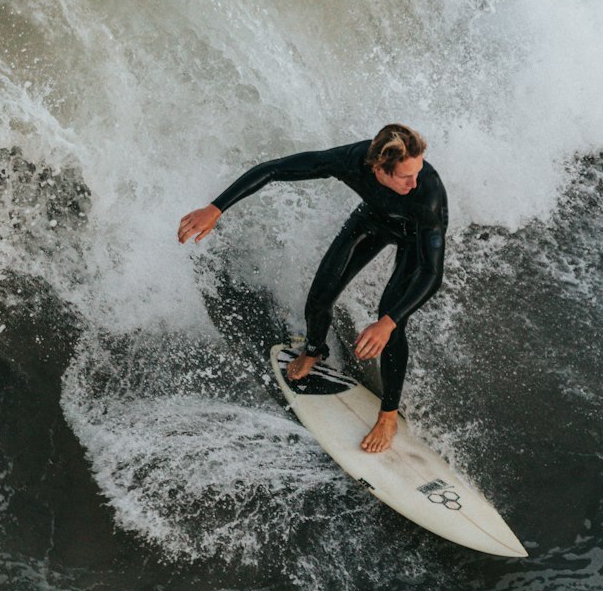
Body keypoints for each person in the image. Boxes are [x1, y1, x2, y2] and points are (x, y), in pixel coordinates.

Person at [177, 124, 447, 453]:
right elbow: (275, 169)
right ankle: (315, 350)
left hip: (413, 239)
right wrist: (215, 208)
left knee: (392, 320)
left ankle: (388, 415)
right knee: (320, 296)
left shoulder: (426, 196)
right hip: (371, 220)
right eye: (405, 177)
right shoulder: (351, 160)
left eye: (418, 171)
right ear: (377, 168)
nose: (414, 182)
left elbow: (431, 273)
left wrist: (386, 323)